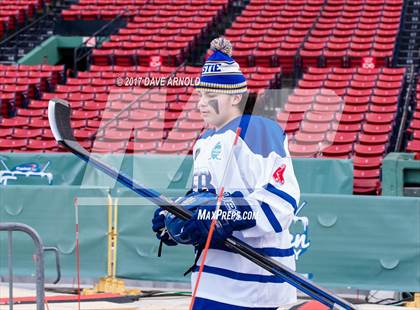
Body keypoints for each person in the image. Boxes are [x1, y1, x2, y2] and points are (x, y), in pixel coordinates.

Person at [152, 37, 300, 310]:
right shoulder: (205, 141)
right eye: (199, 96)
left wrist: (223, 215)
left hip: (251, 286)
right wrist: (178, 214)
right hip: (210, 281)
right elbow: (205, 199)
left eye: (210, 96)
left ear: (235, 97)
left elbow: (281, 202)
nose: (200, 104)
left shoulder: (258, 129)